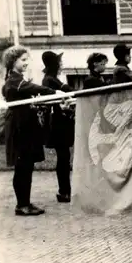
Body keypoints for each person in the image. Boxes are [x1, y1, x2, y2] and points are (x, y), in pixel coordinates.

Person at [1, 45, 59, 216]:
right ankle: (21, 205)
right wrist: (54, 91)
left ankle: (25, 202)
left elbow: (30, 94)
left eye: (27, 59)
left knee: (27, 166)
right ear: (13, 61)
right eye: (23, 60)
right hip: (19, 128)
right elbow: (33, 88)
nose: (26, 63)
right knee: (22, 166)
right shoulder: (14, 81)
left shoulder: (18, 80)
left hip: (25, 126)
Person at [41, 51, 75, 203]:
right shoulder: (50, 80)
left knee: (64, 157)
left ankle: (65, 190)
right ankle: (64, 191)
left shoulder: (52, 79)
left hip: (60, 121)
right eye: (59, 63)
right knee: (63, 157)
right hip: (57, 123)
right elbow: (67, 91)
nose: (62, 66)